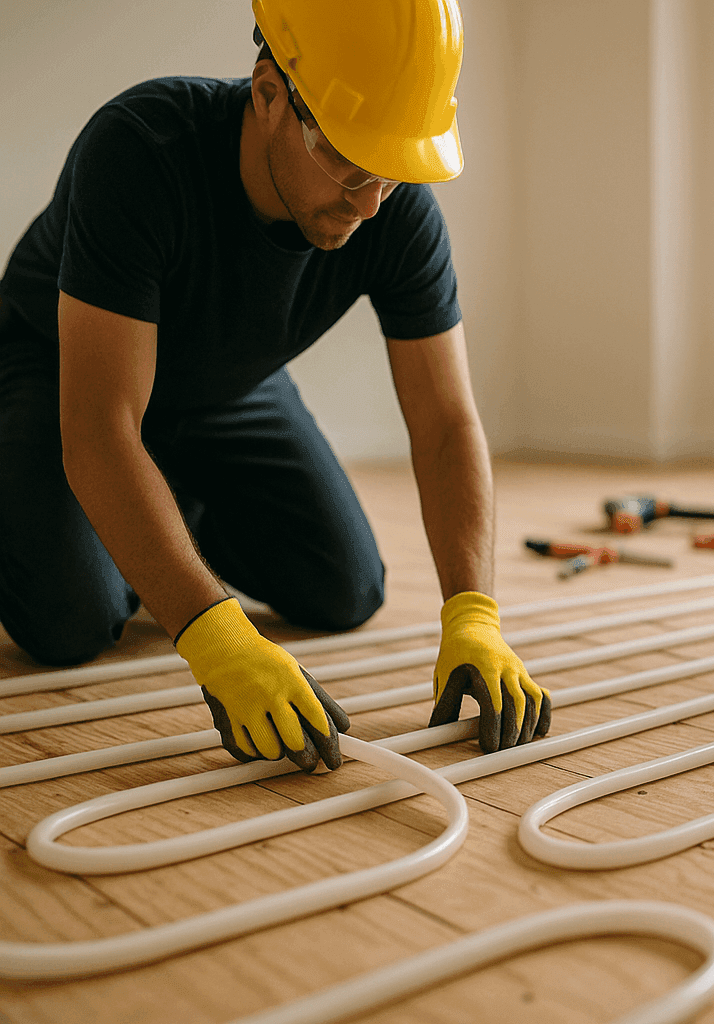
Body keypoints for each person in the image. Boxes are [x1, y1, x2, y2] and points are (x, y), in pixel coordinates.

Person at [0, 0, 550, 771]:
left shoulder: (392, 206)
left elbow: (446, 422)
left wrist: (475, 614)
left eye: (390, 173)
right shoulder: (138, 149)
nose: (367, 204)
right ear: (268, 94)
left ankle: (153, 508)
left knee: (344, 588)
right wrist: (216, 638)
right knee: (68, 620)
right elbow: (99, 427)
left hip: (224, 386)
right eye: (349, 160)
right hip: (56, 371)